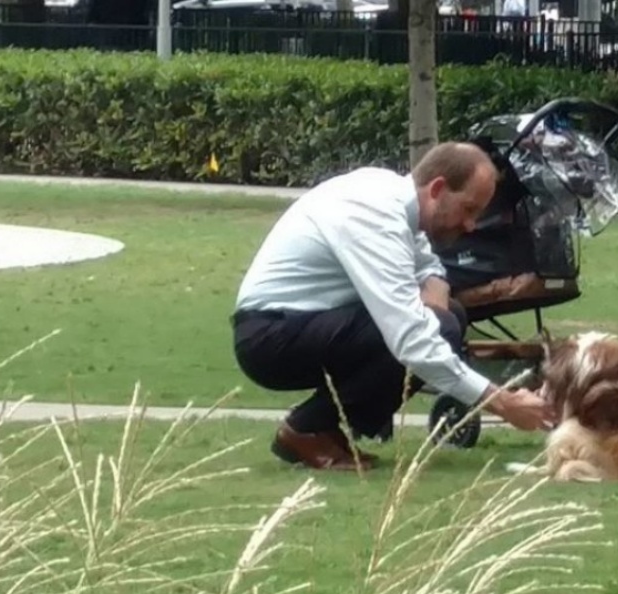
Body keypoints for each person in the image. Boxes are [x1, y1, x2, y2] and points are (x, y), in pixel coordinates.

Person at [230, 141, 554, 472]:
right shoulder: (375, 216)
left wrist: (437, 305)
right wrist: (503, 403)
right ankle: (304, 429)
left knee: (447, 319)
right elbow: (411, 340)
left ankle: (325, 429)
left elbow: (429, 267)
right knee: (429, 331)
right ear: (438, 189)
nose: (471, 226)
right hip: (268, 337)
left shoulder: (393, 198)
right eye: (469, 209)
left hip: (298, 323)